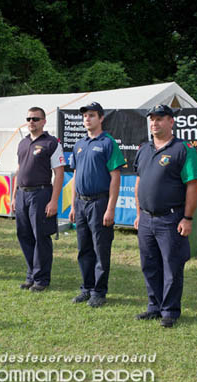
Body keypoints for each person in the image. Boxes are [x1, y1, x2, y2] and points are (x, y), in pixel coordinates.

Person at [133, 105, 197, 328]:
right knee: (149, 264)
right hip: (146, 219)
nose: (154, 123)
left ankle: (170, 311)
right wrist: (138, 213)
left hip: (171, 219)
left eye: (160, 119)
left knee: (172, 266)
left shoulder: (183, 149)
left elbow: (192, 185)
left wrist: (188, 218)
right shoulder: (144, 149)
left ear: (171, 122)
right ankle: (154, 306)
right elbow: (139, 181)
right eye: (152, 119)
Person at [68, 102, 125, 307]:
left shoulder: (108, 143)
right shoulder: (79, 144)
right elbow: (75, 175)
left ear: (101, 118)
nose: (87, 119)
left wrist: (110, 208)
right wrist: (73, 206)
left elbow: (115, 177)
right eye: (85, 116)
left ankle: (99, 292)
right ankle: (86, 288)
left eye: (91, 115)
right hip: (81, 203)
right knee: (84, 249)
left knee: (101, 249)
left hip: (100, 203)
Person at [11, 107, 65, 292]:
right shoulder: (22, 143)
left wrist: (53, 201)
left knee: (41, 237)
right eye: (29, 118)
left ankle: (41, 279)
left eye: (35, 119)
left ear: (43, 121)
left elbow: (59, 174)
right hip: (22, 194)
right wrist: (13, 195)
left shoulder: (51, 143)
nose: (31, 122)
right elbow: (19, 170)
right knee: (24, 235)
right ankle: (31, 275)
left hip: (40, 194)